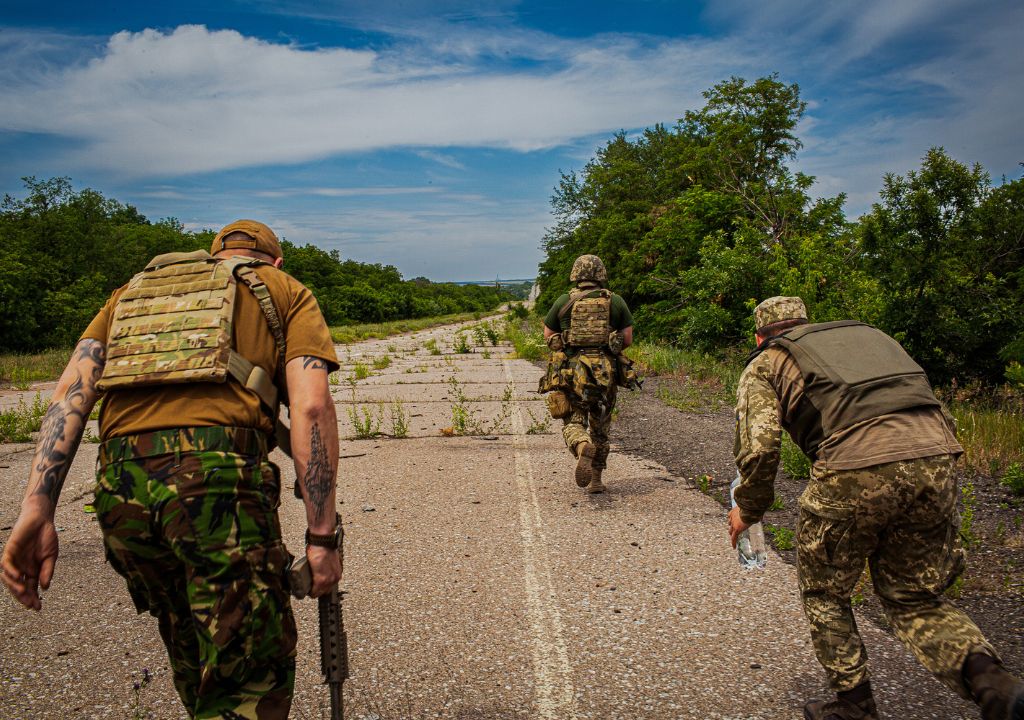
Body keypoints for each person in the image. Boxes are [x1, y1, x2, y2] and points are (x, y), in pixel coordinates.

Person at [1, 220, 344, 720]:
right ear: (274, 260)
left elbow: (68, 399)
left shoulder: (133, 290)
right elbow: (311, 408)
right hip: (216, 483)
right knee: (246, 679)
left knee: (191, 647)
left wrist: (37, 507)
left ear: (211, 255)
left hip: (121, 488)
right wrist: (321, 538)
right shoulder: (282, 289)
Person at [727, 296, 1024, 720]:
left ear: (759, 336)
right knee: (912, 594)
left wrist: (748, 509)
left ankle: (853, 706)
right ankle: (995, 684)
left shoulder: (766, 361)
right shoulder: (870, 339)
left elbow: (760, 448)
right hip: (937, 460)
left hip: (852, 468)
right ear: (806, 322)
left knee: (826, 592)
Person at [541, 254, 634, 494]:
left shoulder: (563, 301)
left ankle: (581, 445)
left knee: (573, 420)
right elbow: (627, 339)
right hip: (605, 373)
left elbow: (548, 335)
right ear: (601, 274)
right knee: (601, 426)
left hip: (572, 373)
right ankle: (596, 479)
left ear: (576, 275)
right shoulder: (616, 302)